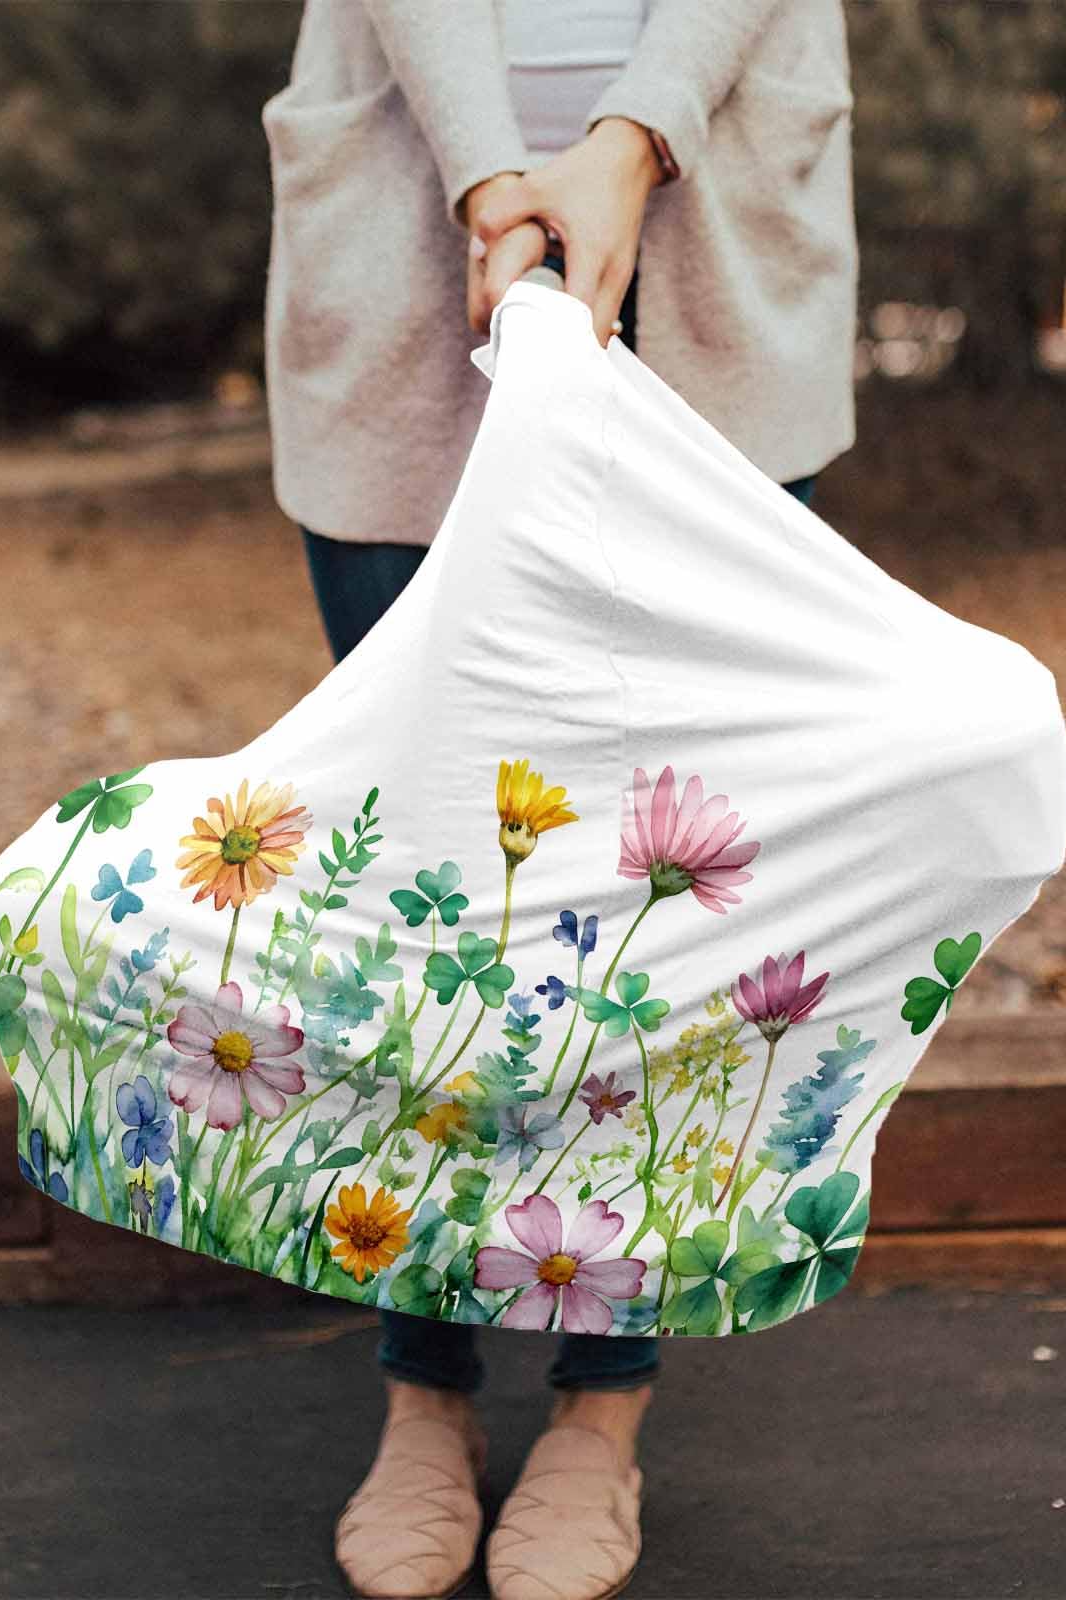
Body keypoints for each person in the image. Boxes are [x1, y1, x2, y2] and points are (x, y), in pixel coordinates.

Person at [259, 4, 858, 1596]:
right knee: (426, 882)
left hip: (717, 225)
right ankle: (425, 1386)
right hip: (406, 217)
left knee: (662, 887)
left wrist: (633, 139)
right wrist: (489, 178)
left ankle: (603, 1406)